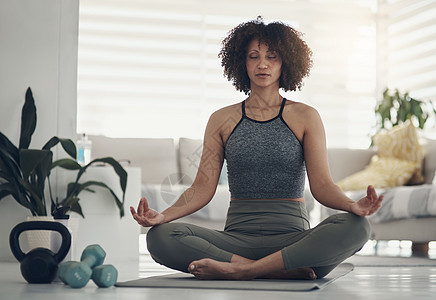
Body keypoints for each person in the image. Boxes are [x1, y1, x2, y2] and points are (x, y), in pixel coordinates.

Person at [130, 17, 383, 281]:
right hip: (237, 240)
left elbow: (322, 186)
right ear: (242, 63)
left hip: (294, 242)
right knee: (160, 237)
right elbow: (202, 188)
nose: (262, 64)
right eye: (254, 56)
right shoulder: (221, 119)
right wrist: (162, 216)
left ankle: (243, 270)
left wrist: (352, 206)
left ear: (285, 62)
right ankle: (269, 268)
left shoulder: (306, 116)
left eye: (272, 56)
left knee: (356, 227)